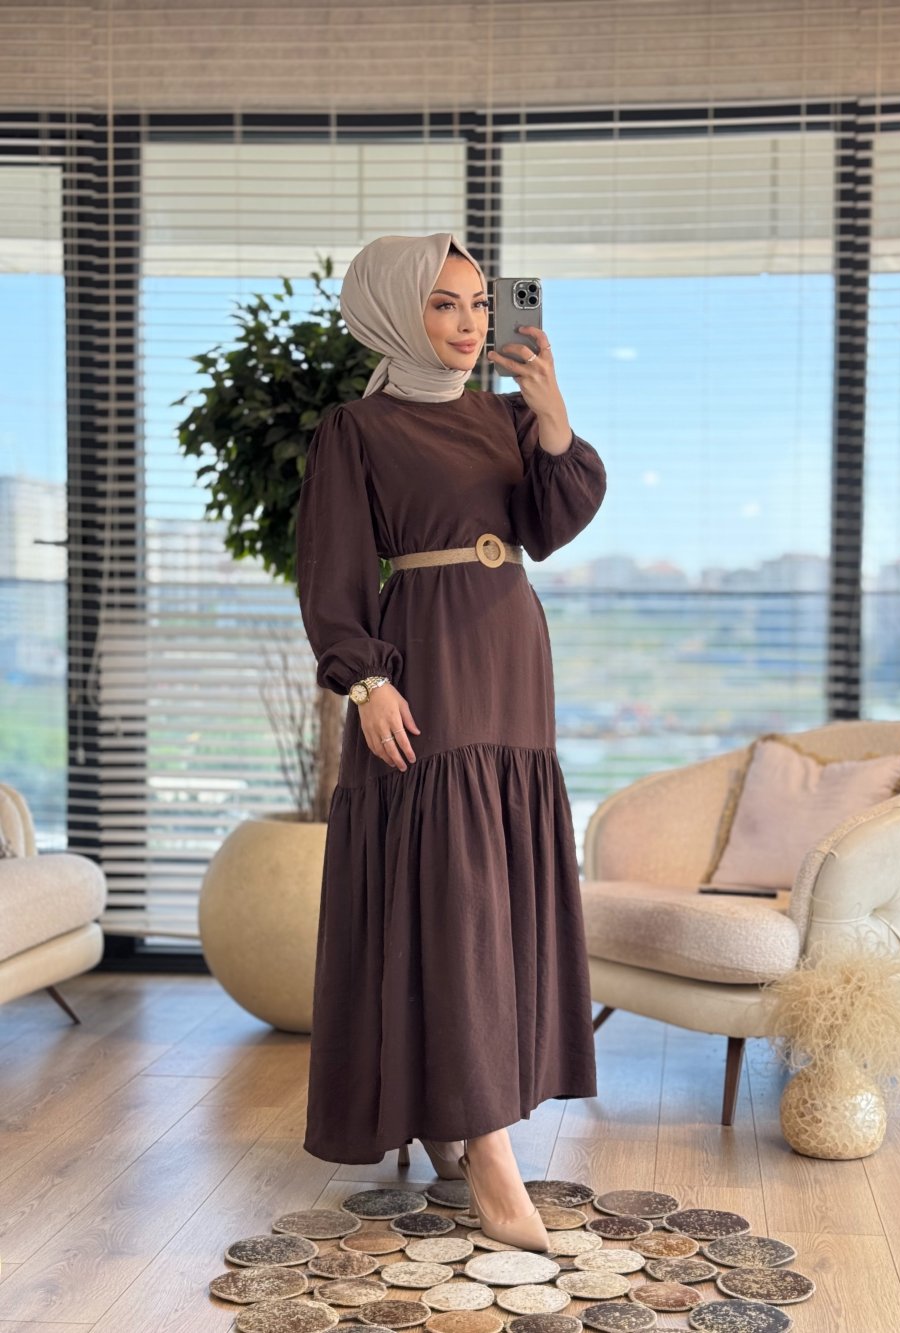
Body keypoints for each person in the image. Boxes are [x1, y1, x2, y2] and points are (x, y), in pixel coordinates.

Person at [295, 231, 607, 1251]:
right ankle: (489, 1148)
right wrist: (366, 679)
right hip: (423, 662)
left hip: (511, 656)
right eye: (443, 304)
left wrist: (550, 411)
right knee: (451, 895)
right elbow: (331, 571)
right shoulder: (357, 429)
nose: (470, 323)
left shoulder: (507, 416)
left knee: (493, 895)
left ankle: (464, 1113)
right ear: (396, 310)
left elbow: (550, 524)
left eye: (479, 303)